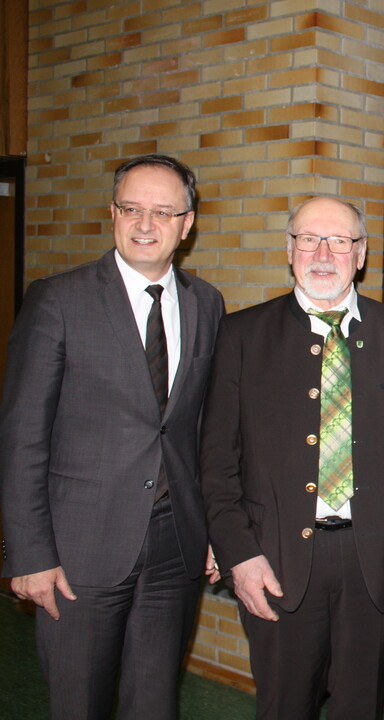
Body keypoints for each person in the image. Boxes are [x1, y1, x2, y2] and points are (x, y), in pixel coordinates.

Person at [0, 154, 224, 719]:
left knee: (154, 703)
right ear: (113, 212)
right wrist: (29, 553)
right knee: (80, 704)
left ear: (186, 223)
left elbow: (203, 429)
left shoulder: (206, 304)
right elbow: (22, 436)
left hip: (176, 547)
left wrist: (218, 531)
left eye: (162, 212)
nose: (145, 224)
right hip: (79, 551)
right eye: (131, 209)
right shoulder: (57, 300)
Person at [199, 196, 384, 719]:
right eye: (309, 239)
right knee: (284, 707)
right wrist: (239, 555)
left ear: (361, 253)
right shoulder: (240, 336)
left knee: (361, 707)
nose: (323, 253)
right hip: (276, 563)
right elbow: (217, 464)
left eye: (340, 241)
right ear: (290, 250)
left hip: (376, 564)